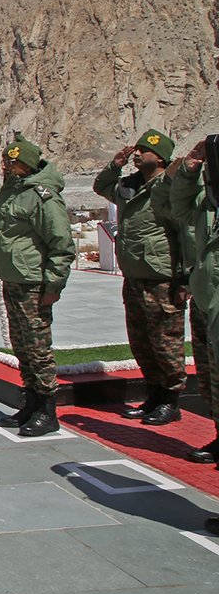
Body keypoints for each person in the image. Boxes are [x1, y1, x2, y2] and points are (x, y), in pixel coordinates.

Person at [0, 135, 75, 436]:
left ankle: (47, 410)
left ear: (28, 165)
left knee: (38, 348)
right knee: (22, 345)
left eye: (13, 162)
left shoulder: (43, 196)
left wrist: (53, 286)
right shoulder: (12, 189)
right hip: (14, 279)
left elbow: (61, 244)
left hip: (34, 283)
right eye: (7, 161)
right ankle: (31, 402)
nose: (8, 166)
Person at [94, 129, 186, 425]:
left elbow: (184, 233)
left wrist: (183, 278)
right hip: (134, 275)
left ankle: (170, 401)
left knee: (165, 340)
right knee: (141, 340)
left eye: (143, 151)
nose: (137, 154)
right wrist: (115, 164)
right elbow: (101, 186)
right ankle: (153, 396)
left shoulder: (169, 188)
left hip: (162, 277)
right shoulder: (129, 187)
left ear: (159, 158)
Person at [169, 138, 219, 462]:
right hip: (208, 305)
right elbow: (179, 208)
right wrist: (188, 172)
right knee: (213, 381)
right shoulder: (207, 201)